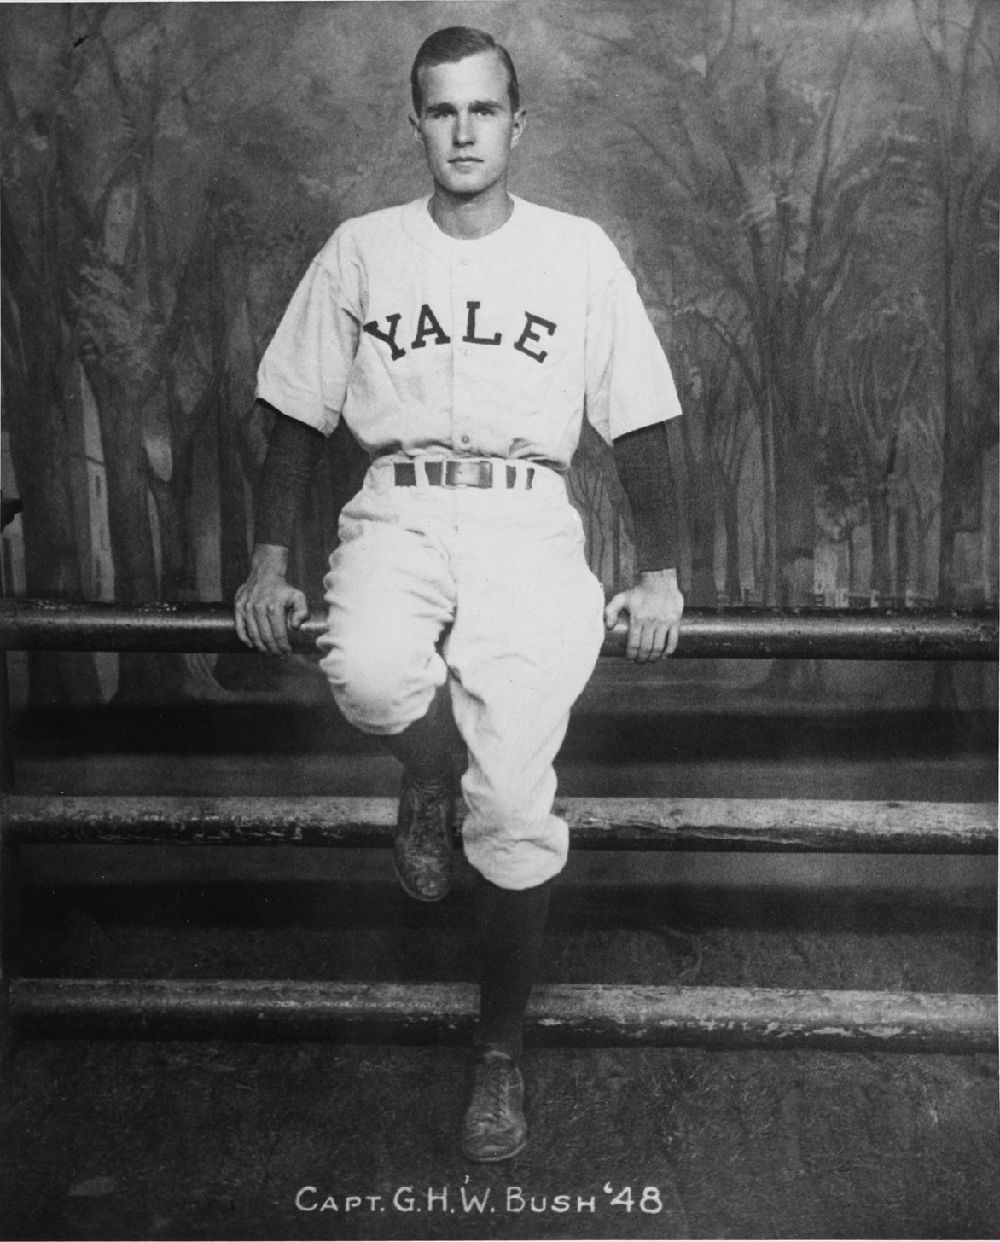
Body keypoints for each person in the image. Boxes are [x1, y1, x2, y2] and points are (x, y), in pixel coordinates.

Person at [234, 25, 684, 1163]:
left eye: (485, 110)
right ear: (418, 124)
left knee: (519, 801)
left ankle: (498, 1055)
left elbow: (641, 416)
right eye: (443, 111)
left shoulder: (576, 253)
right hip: (397, 505)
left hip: (528, 519)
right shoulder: (363, 248)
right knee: (374, 676)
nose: (465, 131)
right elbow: (292, 413)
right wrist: (272, 559)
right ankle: (430, 768)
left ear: (518, 124)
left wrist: (660, 567)